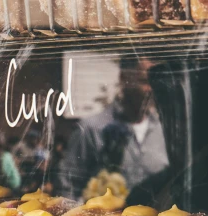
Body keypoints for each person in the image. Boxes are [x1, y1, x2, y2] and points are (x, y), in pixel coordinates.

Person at [56, 57, 169, 202]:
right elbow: (67, 189)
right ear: (124, 78)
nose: (151, 90)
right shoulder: (91, 129)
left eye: (156, 83)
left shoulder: (164, 130)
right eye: (144, 82)